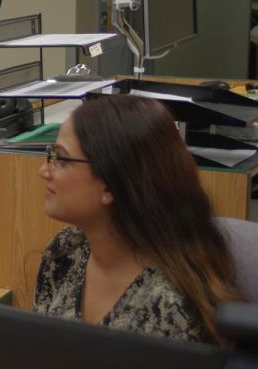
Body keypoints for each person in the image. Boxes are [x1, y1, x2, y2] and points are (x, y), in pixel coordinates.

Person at [34, 94, 243, 344]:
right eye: (51, 154)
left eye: (62, 158)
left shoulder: (169, 309)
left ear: (111, 184)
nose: (44, 171)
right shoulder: (66, 251)